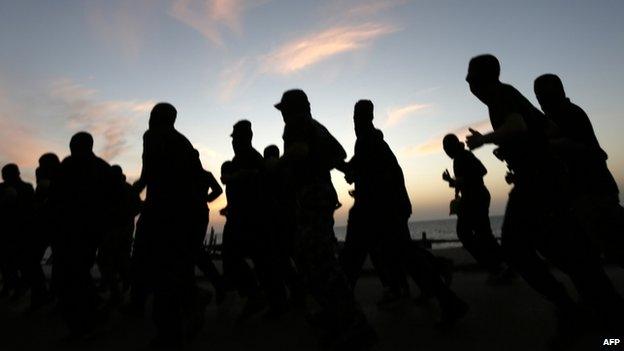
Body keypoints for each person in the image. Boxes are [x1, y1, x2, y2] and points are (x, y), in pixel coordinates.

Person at [465, 55, 624, 337]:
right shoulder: (506, 98)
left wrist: (486, 139)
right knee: (564, 250)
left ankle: (576, 312)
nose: (467, 82)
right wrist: (518, 151)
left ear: (482, 79)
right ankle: (600, 311)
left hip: (540, 185)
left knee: (517, 247)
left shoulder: (502, 95)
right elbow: (544, 129)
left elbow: (518, 126)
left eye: (471, 76)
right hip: (545, 182)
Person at [340, 100, 468, 327]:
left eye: (357, 117)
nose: (355, 121)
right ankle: (441, 288)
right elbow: (361, 170)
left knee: (360, 256)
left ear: (364, 117)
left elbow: (362, 172)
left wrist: (346, 170)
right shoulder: (372, 142)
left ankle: (339, 311)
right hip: (383, 209)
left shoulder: (368, 141)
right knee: (401, 254)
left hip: (379, 210)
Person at [275, 90, 376, 349]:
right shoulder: (318, 127)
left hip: (312, 197)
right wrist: (331, 164)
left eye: (285, 109)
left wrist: (276, 165)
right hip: (319, 195)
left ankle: (354, 323)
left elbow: (299, 151)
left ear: (294, 108)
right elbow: (339, 153)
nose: (283, 114)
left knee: (317, 262)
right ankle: (336, 314)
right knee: (312, 259)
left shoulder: (295, 125)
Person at [131, 103, 207, 347]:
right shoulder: (182, 142)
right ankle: (190, 302)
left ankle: (170, 331)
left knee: (158, 268)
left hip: (166, 213)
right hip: (180, 212)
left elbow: (150, 173)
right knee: (171, 268)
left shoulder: (154, 136)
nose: (150, 119)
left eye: (153, 115)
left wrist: (139, 192)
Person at [534, 74, 624, 266]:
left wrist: (545, 144)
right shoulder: (556, 117)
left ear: (559, 92)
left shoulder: (569, 113)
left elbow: (585, 148)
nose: (541, 101)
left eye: (544, 95)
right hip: (583, 192)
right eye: (538, 96)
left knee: (613, 245)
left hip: (594, 190)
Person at [51, 132, 115, 338]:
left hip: (73, 231)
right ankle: (90, 312)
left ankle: (82, 324)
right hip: (92, 231)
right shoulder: (103, 167)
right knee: (79, 273)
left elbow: (57, 198)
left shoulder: (69, 166)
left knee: (69, 277)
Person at [221, 121, 286, 321]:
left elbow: (260, 187)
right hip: (246, 219)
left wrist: (237, 177)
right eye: (234, 139)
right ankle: (265, 298)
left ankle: (262, 298)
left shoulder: (252, 158)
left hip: (252, 220)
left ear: (246, 138)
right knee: (259, 262)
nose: (234, 142)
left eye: (236, 138)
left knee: (256, 262)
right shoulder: (241, 158)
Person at [442, 134, 511, 283]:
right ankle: (502, 266)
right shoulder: (460, 157)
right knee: (482, 233)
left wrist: (457, 180)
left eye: (447, 147)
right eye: (444, 149)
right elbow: (467, 179)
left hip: (476, 198)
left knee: (468, 233)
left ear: (453, 145)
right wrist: (451, 181)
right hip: (474, 198)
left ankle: (497, 266)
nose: (446, 151)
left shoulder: (463, 156)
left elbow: (481, 171)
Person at [96, 165, 141, 305]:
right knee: (117, 260)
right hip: (122, 229)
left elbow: (137, 207)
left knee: (107, 260)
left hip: (118, 230)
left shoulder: (117, 188)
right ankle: (119, 285)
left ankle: (118, 289)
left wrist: (122, 217)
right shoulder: (125, 188)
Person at [0, 164, 34, 300]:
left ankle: (14, 288)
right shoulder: (26, 187)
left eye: (4, 174)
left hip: (18, 230)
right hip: (9, 230)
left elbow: (29, 208)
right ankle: (11, 287)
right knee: (7, 262)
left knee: (16, 262)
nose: (3, 177)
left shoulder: (25, 188)